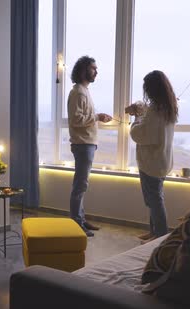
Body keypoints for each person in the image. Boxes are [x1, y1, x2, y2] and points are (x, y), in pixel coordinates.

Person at [126, 70, 177, 243]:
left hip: (152, 162)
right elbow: (150, 124)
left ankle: (160, 236)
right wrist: (139, 113)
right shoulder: (167, 107)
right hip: (160, 161)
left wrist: (134, 121)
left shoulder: (156, 110)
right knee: (154, 199)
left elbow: (142, 134)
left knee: (154, 200)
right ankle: (154, 231)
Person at [67, 56, 112, 237]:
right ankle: (77, 223)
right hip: (82, 144)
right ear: (84, 70)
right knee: (80, 185)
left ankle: (81, 219)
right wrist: (97, 117)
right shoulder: (78, 92)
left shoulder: (84, 91)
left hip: (88, 143)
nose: (96, 71)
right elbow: (76, 120)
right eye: (93, 68)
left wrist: (97, 116)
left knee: (82, 185)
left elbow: (84, 118)